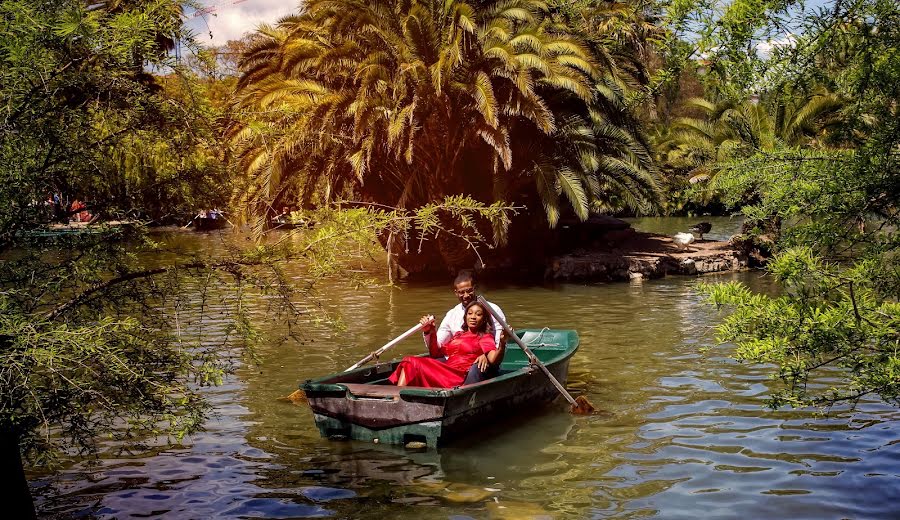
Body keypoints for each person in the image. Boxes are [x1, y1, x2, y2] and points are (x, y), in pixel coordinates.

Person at [389, 301, 498, 388]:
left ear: (484, 320)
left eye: (478, 314)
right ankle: (397, 398)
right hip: (445, 370)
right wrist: (430, 331)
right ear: (465, 317)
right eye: (470, 313)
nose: (473, 317)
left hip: (457, 376)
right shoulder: (458, 335)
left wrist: (493, 350)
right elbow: (435, 354)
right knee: (408, 362)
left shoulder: (484, 337)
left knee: (410, 361)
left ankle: (398, 400)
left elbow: (493, 358)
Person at [434, 270, 508, 384]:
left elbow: (497, 344)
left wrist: (485, 354)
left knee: (476, 367)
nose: (466, 295)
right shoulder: (452, 315)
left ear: (474, 288)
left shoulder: (492, 310)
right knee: (429, 361)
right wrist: (429, 332)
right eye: (461, 292)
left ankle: (462, 395)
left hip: (482, 361)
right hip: (457, 361)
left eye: (469, 291)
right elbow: (438, 346)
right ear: (456, 293)